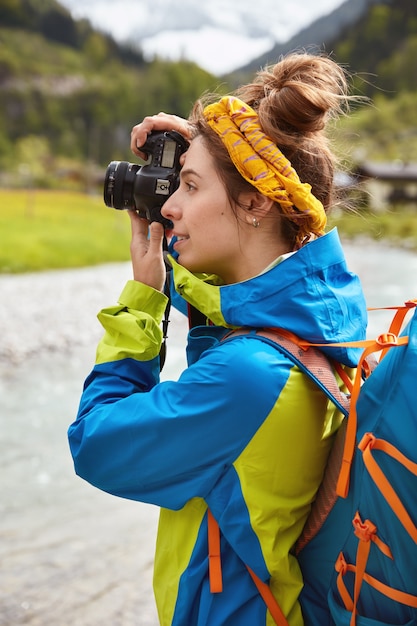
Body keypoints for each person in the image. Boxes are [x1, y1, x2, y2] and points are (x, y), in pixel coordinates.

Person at [68, 52, 367, 626]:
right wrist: (207, 148)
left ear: (255, 201)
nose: (170, 205)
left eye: (188, 185)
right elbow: (230, 316)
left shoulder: (248, 378)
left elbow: (96, 443)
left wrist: (143, 301)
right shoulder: (311, 329)